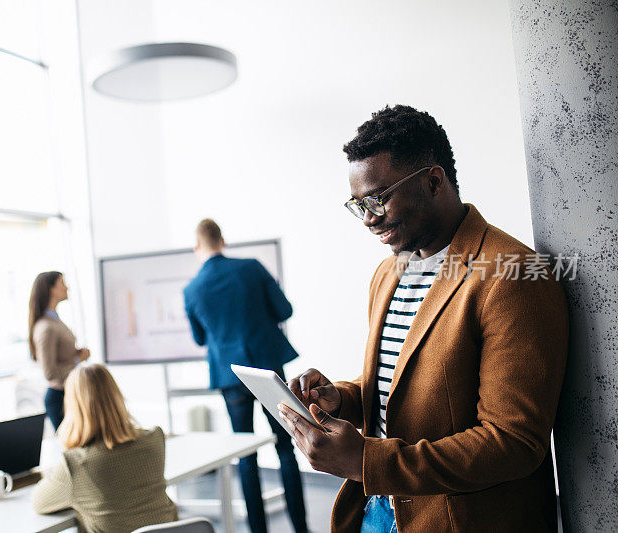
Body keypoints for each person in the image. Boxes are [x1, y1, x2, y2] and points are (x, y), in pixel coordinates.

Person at [277, 105, 569, 532]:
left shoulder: (511, 273)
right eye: (358, 204)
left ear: (434, 181)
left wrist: (364, 460)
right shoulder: (389, 272)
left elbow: (513, 443)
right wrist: (342, 399)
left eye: (378, 198)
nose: (369, 219)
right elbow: (403, 385)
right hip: (379, 509)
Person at [183, 219, 308, 533]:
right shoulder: (252, 267)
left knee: (246, 454)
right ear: (222, 241)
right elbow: (284, 310)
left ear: (198, 248)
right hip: (266, 369)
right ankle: (302, 528)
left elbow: (200, 339)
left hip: (230, 377)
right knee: (285, 447)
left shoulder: (192, 288)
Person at [32, 363, 177, 533]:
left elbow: (39, 502)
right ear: (116, 396)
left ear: (73, 406)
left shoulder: (76, 465)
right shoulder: (154, 439)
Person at [29, 271, 90, 430]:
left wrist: (75, 355)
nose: (67, 287)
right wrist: (78, 360)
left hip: (69, 394)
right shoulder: (46, 327)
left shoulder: (54, 320)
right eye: (62, 283)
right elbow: (49, 372)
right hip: (60, 398)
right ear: (51, 290)